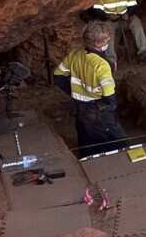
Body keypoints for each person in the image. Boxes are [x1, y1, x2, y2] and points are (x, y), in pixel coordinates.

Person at [53, 23, 128, 158]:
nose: (109, 41)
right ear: (99, 42)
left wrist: (74, 92)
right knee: (120, 144)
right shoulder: (101, 65)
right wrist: (107, 108)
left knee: (86, 141)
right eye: (107, 40)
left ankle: (89, 165)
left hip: (80, 107)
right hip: (98, 110)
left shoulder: (75, 54)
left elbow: (58, 76)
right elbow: (110, 97)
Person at [86, 0, 146, 67]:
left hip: (124, 19)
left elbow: (133, 5)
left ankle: (144, 53)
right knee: (107, 29)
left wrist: (128, 14)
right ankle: (111, 61)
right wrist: (108, 16)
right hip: (108, 21)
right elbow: (96, 10)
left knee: (135, 21)